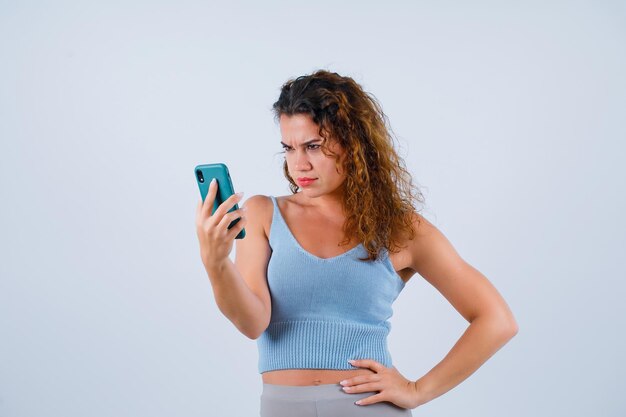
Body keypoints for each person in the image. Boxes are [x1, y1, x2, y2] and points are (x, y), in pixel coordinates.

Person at [195, 70, 518, 417]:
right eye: (289, 148)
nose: (299, 163)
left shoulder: (401, 229)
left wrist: (417, 390)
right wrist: (216, 263)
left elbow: (497, 320)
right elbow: (252, 323)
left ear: (354, 144)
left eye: (313, 146)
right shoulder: (263, 213)